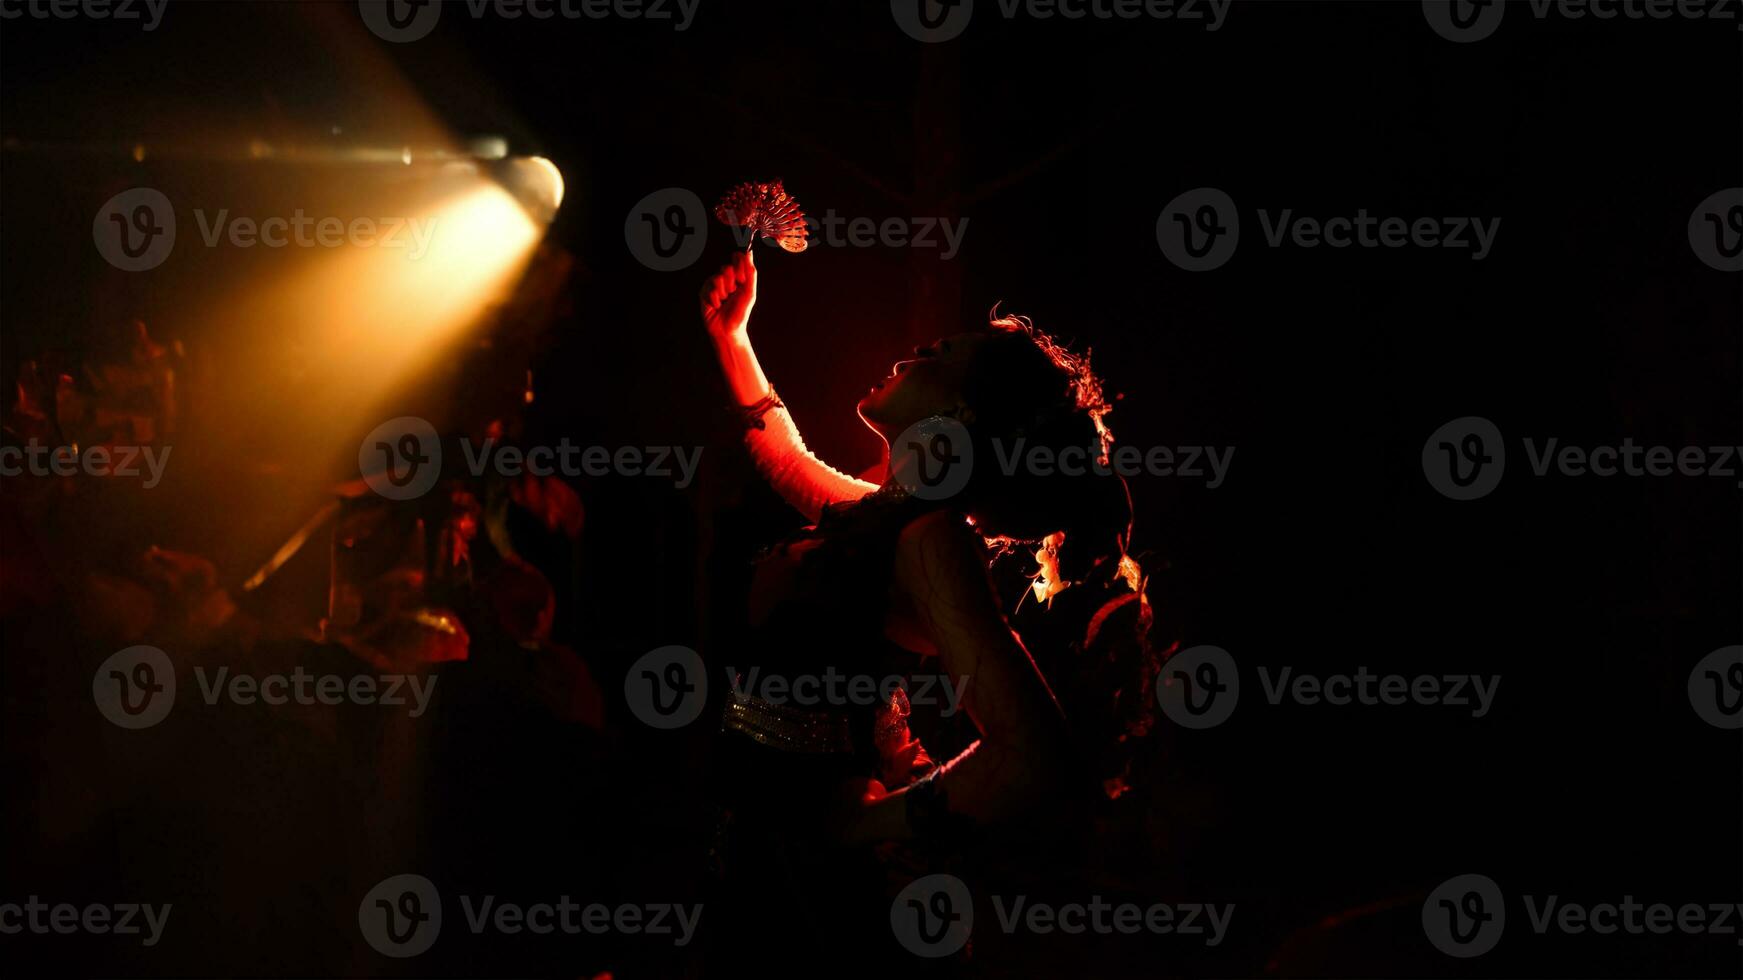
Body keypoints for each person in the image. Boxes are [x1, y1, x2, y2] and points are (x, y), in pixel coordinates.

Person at [699, 249, 1153, 969]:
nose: (912, 351)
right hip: (764, 847)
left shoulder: (930, 542)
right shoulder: (879, 520)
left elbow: (1036, 759)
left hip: (824, 893)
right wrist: (733, 337)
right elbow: (782, 457)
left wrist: (868, 823)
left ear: (956, 413)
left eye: (935, 355)